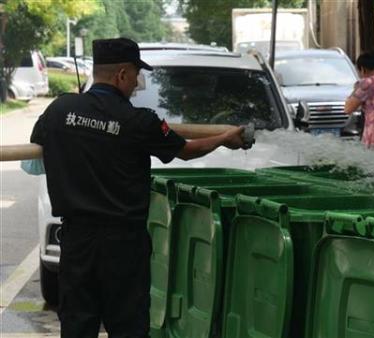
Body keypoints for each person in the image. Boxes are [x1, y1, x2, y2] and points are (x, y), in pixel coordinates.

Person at [29, 38, 246, 338]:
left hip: (77, 243)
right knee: (128, 325)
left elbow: (35, 150)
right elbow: (187, 150)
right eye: (135, 75)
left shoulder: (60, 110)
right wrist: (224, 138)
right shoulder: (138, 121)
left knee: (77, 325)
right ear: (121, 74)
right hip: (123, 245)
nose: (136, 84)